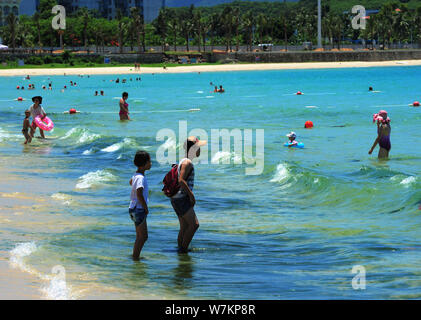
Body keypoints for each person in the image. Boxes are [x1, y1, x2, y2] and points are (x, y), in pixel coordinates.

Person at [171, 136, 206, 253]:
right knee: (194, 225)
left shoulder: (183, 160)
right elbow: (181, 181)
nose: (200, 150)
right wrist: (191, 196)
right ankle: (183, 251)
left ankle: (180, 251)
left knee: (184, 227)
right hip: (182, 199)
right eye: (199, 147)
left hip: (176, 198)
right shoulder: (187, 163)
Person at [128, 150, 151, 260]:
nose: (151, 164)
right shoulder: (141, 178)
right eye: (149, 162)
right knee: (143, 236)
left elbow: (130, 182)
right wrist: (146, 208)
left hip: (133, 208)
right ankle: (135, 257)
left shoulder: (136, 175)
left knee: (139, 236)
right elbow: (139, 193)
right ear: (144, 164)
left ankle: (135, 256)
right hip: (139, 209)